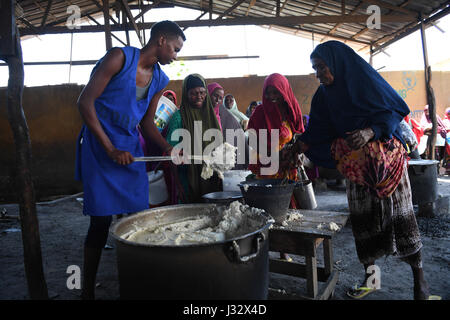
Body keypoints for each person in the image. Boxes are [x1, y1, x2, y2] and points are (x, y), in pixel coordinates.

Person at [291, 40, 435, 300]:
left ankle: (420, 282)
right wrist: (298, 145)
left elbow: (394, 112)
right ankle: (371, 280)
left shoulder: (366, 82)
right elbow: (318, 131)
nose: (318, 74)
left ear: (337, 63)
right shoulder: (324, 96)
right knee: (364, 223)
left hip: (387, 165)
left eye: (322, 67)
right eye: (315, 69)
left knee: (402, 219)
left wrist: (371, 131)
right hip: (356, 169)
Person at [75, 20, 185, 300]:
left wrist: (168, 149)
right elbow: (85, 103)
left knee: (138, 219)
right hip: (100, 146)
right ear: (160, 40)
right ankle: (87, 289)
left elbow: (148, 124)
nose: (176, 55)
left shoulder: (159, 79)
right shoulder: (119, 58)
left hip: (129, 149)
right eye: (175, 48)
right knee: (100, 222)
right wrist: (110, 149)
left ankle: (137, 284)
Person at [247, 73, 304, 261]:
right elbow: (254, 141)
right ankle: (263, 250)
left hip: (288, 167)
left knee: (287, 209)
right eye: (268, 91)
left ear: (284, 91)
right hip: (267, 169)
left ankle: (284, 249)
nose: (272, 96)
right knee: (267, 210)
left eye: (276, 92)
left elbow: (299, 135)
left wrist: (298, 153)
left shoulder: (291, 110)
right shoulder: (259, 113)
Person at [165, 74, 222, 203]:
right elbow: (172, 155)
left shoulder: (210, 116)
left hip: (211, 177)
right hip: (187, 178)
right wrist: (179, 187)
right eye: (193, 93)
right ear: (186, 94)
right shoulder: (179, 118)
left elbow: (219, 146)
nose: (199, 97)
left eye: (202, 92)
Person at [208, 82, 249, 170]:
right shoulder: (203, 113)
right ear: (208, 95)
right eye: (215, 96)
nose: (217, 100)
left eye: (220, 98)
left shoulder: (227, 116)